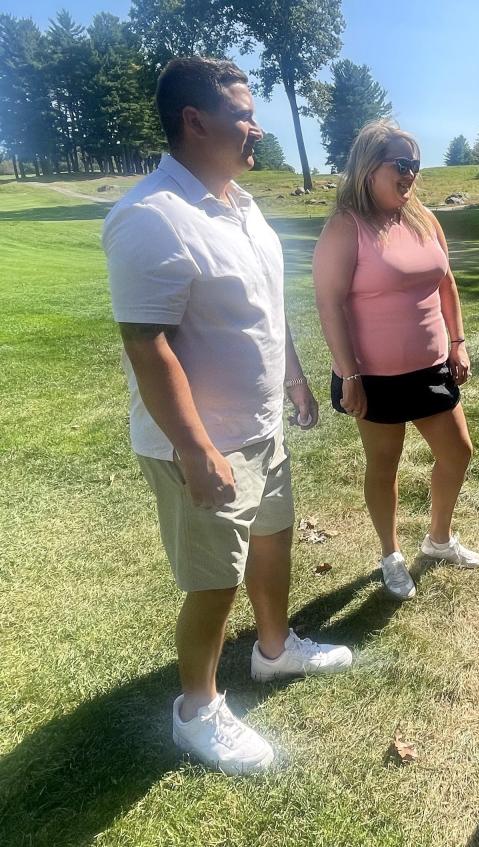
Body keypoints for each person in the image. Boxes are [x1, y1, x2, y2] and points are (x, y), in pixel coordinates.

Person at [102, 56, 352, 775]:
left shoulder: (241, 205)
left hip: (261, 428)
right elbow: (147, 347)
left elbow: (261, 316)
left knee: (273, 541)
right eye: (244, 114)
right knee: (214, 579)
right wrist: (194, 447)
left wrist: (295, 379)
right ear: (194, 121)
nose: (256, 128)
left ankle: (274, 649)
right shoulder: (152, 217)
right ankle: (197, 708)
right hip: (205, 443)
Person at [313, 120, 479, 601]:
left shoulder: (424, 218)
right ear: (369, 167)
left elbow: (446, 283)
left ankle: (439, 539)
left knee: (458, 452)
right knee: (384, 465)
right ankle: (390, 554)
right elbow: (328, 303)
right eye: (401, 165)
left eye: (416, 165)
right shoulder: (346, 226)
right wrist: (350, 374)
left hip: (430, 367)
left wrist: (458, 342)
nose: (410, 174)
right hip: (374, 375)